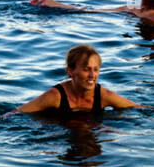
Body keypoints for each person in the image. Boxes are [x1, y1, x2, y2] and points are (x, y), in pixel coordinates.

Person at [11, 44, 139, 115]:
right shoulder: (55, 96)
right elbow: (17, 113)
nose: (92, 75)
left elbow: (139, 108)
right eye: (86, 69)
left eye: (95, 69)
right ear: (70, 71)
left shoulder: (104, 95)